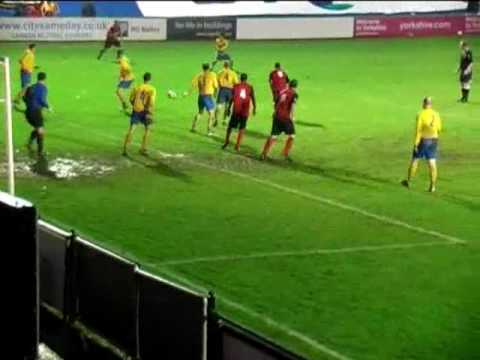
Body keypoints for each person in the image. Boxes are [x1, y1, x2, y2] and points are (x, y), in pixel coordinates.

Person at [401, 97, 442, 193]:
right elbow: (439, 128)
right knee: (432, 163)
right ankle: (432, 186)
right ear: (431, 104)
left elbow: (418, 130)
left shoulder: (421, 114)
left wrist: (416, 143)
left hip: (423, 140)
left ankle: (408, 182)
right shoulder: (436, 114)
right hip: (434, 140)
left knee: (415, 160)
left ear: (424, 104)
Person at [261, 79, 298, 161]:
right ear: (295, 87)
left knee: (273, 136)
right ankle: (285, 153)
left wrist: (275, 112)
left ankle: (264, 154)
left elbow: (276, 102)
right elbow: (293, 106)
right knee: (292, 135)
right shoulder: (294, 94)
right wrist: (293, 116)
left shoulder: (282, 92)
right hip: (285, 118)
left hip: (277, 116)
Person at [123, 72, 156, 156]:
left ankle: (125, 149)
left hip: (136, 110)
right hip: (145, 111)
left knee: (132, 130)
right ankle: (143, 149)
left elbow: (131, 99)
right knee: (148, 129)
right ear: (150, 79)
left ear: (143, 78)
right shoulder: (152, 89)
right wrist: (150, 113)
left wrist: (135, 106)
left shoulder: (137, 87)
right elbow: (151, 102)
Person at [222, 73, 256, 152]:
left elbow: (232, 98)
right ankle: (237, 145)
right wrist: (254, 108)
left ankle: (226, 141)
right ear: (246, 79)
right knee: (242, 128)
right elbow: (253, 98)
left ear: (240, 78)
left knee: (230, 127)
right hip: (244, 111)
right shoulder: (250, 87)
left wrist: (228, 109)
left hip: (236, 110)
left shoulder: (235, 86)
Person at [23, 72, 51, 158]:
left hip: (28, 113)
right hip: (36, 112)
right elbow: (42, 99)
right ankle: (40, 152)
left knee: (37, 128)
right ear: (45, 79)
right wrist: (48, 107)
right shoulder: (43, 88)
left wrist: (29, 105)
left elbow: (24, 98)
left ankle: (29, 143)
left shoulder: (31, 87)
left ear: (37, 78)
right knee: (41, 132)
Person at [189, 63, 218, 136]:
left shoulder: (199, 75)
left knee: (200, 112)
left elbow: (194, 85)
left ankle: (193, 127)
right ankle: (209, 131)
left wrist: (188, 92)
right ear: (209, 68)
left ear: (203, 68)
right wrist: (215, 94)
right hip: (207, 96)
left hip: (201, 96)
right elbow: (216, 86)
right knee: (211, 113)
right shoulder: (212, 75)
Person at [215, 61, 238, 127]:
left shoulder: (220, 72)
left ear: (224, 65)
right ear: (230, 66)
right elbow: (236, 83)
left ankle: (216, 119)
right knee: (228, 106)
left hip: (222, 90)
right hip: (230, 91)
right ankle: (225, 120)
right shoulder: (233, 73)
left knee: (219, 106)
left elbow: (217, 82)